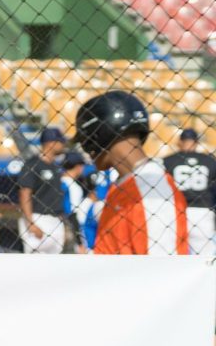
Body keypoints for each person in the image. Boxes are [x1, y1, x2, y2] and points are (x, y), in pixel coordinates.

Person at [75, 90, 189, 255]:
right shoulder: (125, 184)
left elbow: (163, 272)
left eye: (86, 137)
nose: (85, 148)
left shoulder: (152, 190)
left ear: (99, 133)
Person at [164, 127, 216, 255]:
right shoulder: (209, 160)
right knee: (204, 255)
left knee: (172, 252)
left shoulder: (169, 161)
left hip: (176, 211)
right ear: (196, 142)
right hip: (202, 211)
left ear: (180, 142)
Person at [17, 127, 69, 254]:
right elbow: (24, 193)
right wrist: (31, 223)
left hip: (56, 220)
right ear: (51, 142)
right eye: (60, 142)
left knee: (54, 266)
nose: (63, 145)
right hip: (38, 218)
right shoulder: (32, 164)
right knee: (35, 264)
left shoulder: (55, 166)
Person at [61, 150, 91, 251]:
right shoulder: (72, 186)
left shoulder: (59, 181)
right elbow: (72, 213)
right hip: (72, 229)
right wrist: (80, 241)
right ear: (78, 166)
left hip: (60, 227)